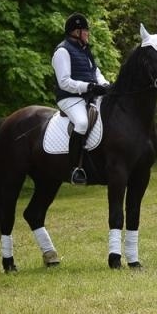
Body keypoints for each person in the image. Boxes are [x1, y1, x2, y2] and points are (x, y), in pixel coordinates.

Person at [53, 12, 111, 185]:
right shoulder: (62, 51)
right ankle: (75, 169)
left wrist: (105, 84)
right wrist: (88, 87)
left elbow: (95, 72)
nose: (88, 34)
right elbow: (64, 82)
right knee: (82, 123)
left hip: (90, 96)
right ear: (76, 32)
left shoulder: (85, 50)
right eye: (85, 31)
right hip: (69, 98)